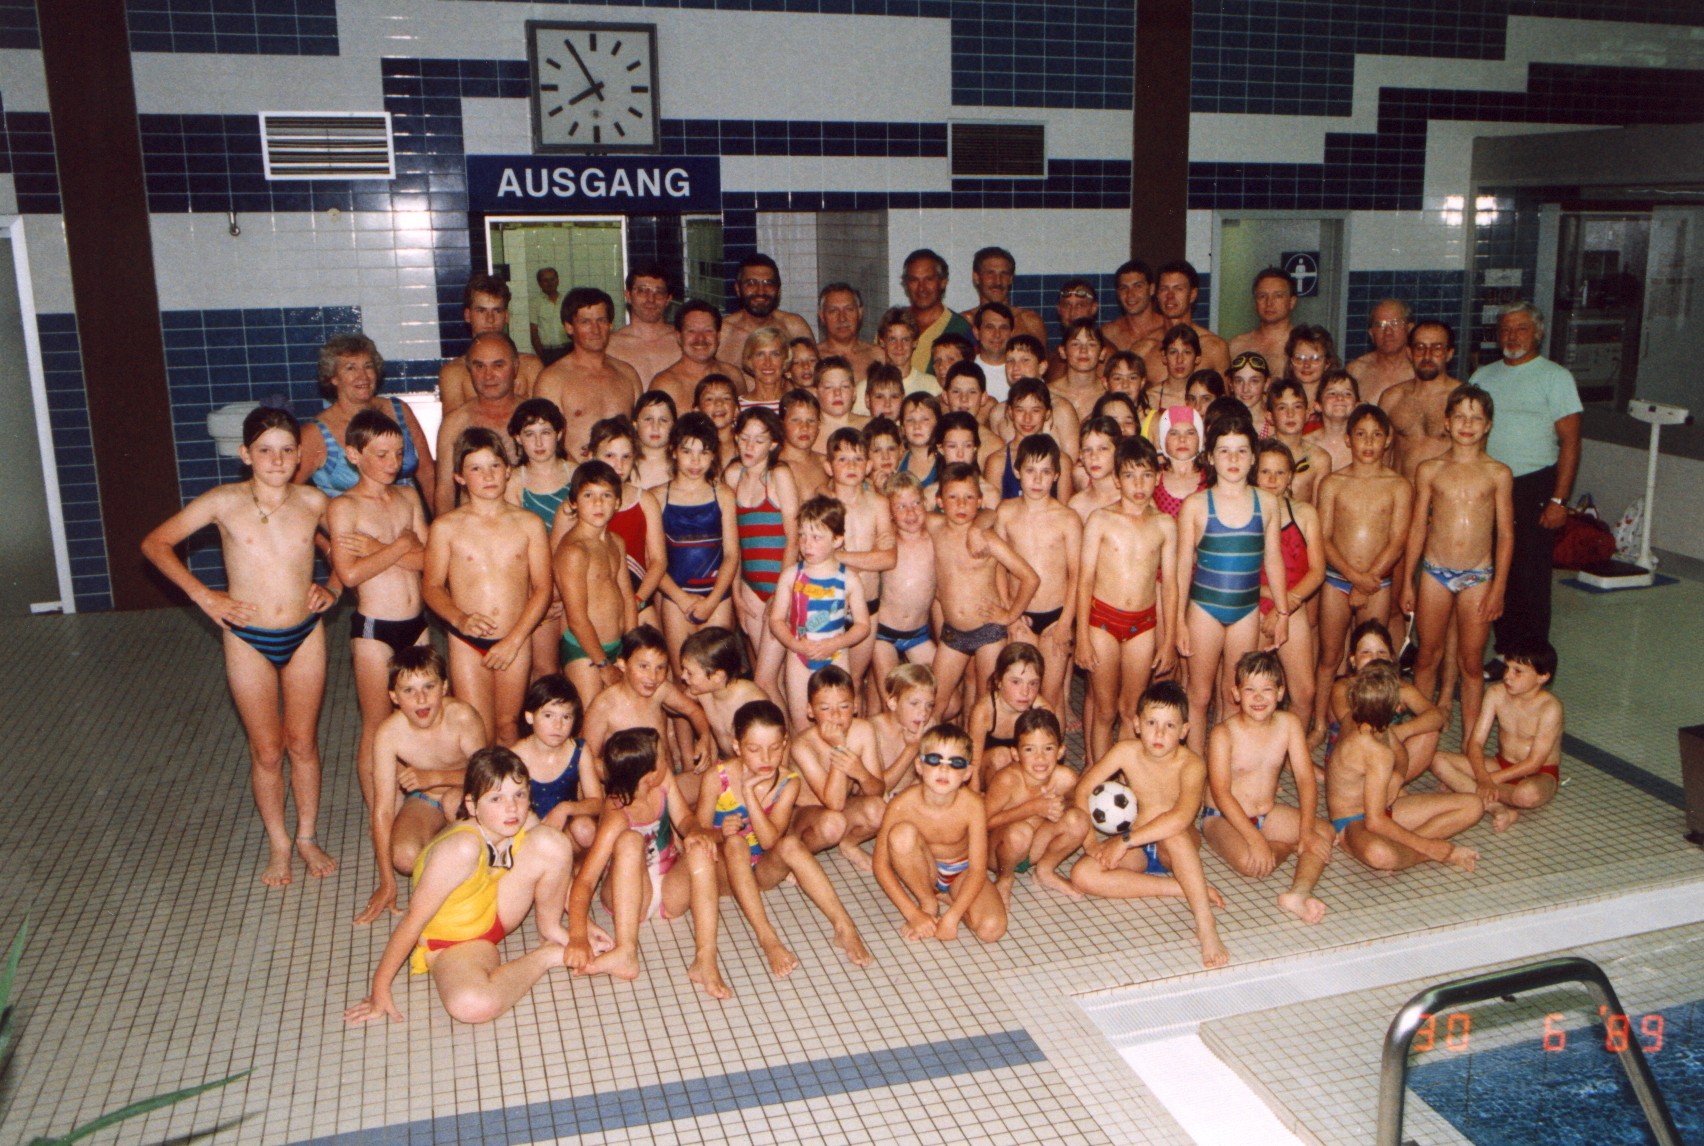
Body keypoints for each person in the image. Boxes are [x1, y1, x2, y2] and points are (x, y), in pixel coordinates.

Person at [141, 406, 338, 888]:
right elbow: (155, 543)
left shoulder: (314, 502)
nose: (276, 459)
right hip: (247, 638)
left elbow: (346, 550)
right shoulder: (223, 501)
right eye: (265, 450)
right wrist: (204, 595)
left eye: (287, 450)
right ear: (245, 454)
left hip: (305, 632)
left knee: (303, 742)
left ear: (299, 456)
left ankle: (307, 836)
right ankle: (279, 844)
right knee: (267, 750)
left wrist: (332, 586)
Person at [343, 748, 585, 1026]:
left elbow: (557, 868)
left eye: (519, 795)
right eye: (496, 798)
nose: (512, 808)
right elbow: (413, 920)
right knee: (471, 1005)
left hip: (495, 910)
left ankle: (550, 929)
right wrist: (379, 988)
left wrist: (582, 927)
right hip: (453, 942)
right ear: (472, 806)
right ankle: (545, 956)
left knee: (551, 841)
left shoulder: (519, 820)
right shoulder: (461, 849)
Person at [695, 699, 875, 973]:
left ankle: (844, 926)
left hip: (761, 870)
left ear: (785, 743)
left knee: (790, 845)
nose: (766, 758)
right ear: (737, 746)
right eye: (754, 750)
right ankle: (768, 939)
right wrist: (720, 832)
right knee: (735, 843)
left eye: (775, 748)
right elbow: (698, 834)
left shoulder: (788, 782)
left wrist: (751, 796)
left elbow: (769, 842)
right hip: (723, 872)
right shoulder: (716, 778)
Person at [1070, 681, 1229, 968]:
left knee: (1176, 833)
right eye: (1152, 722)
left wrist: (1124, 840)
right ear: (1137, 724)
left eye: (1170, 726)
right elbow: (1082, 790)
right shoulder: (1125, 751)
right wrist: (1091, 842)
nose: (1159, 733)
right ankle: (1179, 888)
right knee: (1082, 874)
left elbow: (1180, 817)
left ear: (1184, 731)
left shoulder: (1192, 764)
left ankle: (1206, 925)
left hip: (1174, 847)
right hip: (1139, 850)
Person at [323, 408, 429, 836]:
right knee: (377, 722)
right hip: (374, 628)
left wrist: (379, 548)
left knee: (422, 715)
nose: (392, 462)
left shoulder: (407, 498)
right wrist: (398, 546)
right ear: (353, 454)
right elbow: (349, 575)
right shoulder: (343, 507)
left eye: (398, 453)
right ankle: (379, 813)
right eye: (380, 453)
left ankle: (418, 800)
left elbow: (427, 560)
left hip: (417, 622)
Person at [564, 727, 728, 998]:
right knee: (630, 841)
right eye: (664, 758)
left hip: (668, 889)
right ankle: (626, 951)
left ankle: (706, 960)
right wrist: (578, 936)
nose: (669, 763)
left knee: (700, 850)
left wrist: (696, 832)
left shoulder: (664, 785)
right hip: (629, 896)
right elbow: (586, 880)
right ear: (649, 776)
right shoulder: (616, 814)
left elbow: (685, 820)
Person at [1468, 301, 1581, 668]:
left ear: (1538, 332)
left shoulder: (1555, 377)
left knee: (1529, 576)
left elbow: (1571, 443)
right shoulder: (1483, 376)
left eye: (1520, 329)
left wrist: (1559, 500)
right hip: (1488, 485)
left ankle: (1530, 660)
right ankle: (1504, 653)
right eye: (1504, 329)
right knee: (1497, 571)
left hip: (1535, 486)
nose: (1511, 336)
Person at [425, 427, 553, 746]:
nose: (488, 475)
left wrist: (515, 639)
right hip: (468, 641)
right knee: (477, 727)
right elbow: (432, 587)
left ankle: (513, 795)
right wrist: (459, 619)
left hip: (515, 636)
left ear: (508, 470)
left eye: (495, 465)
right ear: (459, 477)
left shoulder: (529, 524)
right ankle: (482, 794)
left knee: (508, 725)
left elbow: (542, 588)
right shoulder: (446, 527)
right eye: (476, 468)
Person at [1401, 384, 1513, 739]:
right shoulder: (1430, 469)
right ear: (1447, 422)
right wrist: (1407, 580)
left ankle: (1471, 743)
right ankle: (1420, 738)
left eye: (1476, 418)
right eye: (1460, 416)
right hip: (1434, 572)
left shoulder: (1498, 473)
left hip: (1478, 576)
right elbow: (1417, 527)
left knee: (1471, 663)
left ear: (1488, 425)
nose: (1467, 424)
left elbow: (1506, 536)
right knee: (1426, 657)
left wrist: (1498, 588)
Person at [1176, 413, 1290, 754]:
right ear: (1210, 457)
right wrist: (1179, 621)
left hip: (1246, 612)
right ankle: (1194, 770)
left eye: (1242, 451)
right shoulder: (1196, 505)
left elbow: (1274, 560)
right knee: (1199, 696)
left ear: (1254, 456)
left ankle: (1224, 772)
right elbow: (1182, 567)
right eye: (1224, 451)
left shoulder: (1267, 503)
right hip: (1203, 611)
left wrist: (1283, 613)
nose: (1234, 459)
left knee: (1233, 695)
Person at [1202, 651, 1333, 925]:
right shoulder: (1223, 734)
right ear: (1236, 693)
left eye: (1267, 690)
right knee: (1253, 864)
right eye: (1250, 690)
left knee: (1324, 831)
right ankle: (1287, 845)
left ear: (1281, 693)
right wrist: (1255, 839)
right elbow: (1221, 794)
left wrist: (1307, 830)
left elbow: (1306, 779)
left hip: (1268, 812)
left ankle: (1298, 893)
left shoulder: (1289, 725)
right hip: (1223, 818)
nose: (1259, 698)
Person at [363, 646, 486, 922]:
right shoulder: (388, 734)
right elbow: (382, 810)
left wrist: (436, 777)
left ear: (444, 687)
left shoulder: (462, 717)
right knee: (405, 858)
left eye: (429, 686)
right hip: (425, 801)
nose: (421, 699)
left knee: (455, 804)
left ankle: (464, 854)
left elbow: (488, 776)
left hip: (465, 795)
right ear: (393, 697)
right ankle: (443, 841)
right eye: (408, 691)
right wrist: (387, 881)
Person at [1312, 404, 1411, 738]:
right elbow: (1322, 538)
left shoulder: (1398, 485)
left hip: (1378, 582)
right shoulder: (1333, 483)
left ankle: (1374, 723)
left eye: (1376, 434)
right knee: (1330, 656)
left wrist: (1368, 582)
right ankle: (1321, 723)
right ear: (1347, 439)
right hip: (1339, 580)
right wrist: (1355, 578)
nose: (1368, 442)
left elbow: (1398, 540)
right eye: (1360, 434)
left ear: (1388, 440)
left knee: (1374, 660)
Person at [1077, 435, 1178, 764]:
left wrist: (1169, 641)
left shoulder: (1165, 524)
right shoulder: (1101, 520)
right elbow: (1085, 580)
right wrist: (1081, 637)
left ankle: (1124, 777)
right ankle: (1098, 777)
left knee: (1130, 710)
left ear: (1158, 477)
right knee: (1104, 710)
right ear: (1117, 479)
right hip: (1102, 622)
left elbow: (1171, 584)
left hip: (1144, 625)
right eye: (1130, 475)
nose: (1139, 484)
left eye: (1147, 475)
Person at [1328, 663, 1482, 874]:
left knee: (1473, 805)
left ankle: (1406, 850)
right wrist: (1428, 845)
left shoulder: (1366, 721)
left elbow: (1401, 754)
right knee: (1380, 854)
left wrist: (1398, 778)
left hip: (1382, 811)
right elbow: (1374, 822)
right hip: (1353, 822)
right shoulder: (1373, 749)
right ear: (1397, 708)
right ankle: (1422, 853)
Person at [873, 722, 1008, 943]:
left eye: (955, 763)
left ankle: (950, 899)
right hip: (924, 869)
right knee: (901, 834)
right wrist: (913, 913)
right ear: (919, 765)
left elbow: (977, 869)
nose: (944, 770)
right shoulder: (902, 804)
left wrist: (953, 918)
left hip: (962, 871)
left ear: (967, 773)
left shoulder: (972, 805)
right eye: (935, 760)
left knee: (991, 930)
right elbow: (880, 865)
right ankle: (929, 901)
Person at [929, 463, 1040, 722]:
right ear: (940, 501)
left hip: (989, 631)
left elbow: (1030, 577)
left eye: (969, 498)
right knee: (934, 701)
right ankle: (924, 757)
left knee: (985, 702)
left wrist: (1011, 614)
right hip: (953, 632)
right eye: (953, 497)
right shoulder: (934, 527)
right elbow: (903, 511)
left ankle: (978, 757)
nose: (961, 505)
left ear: (978, 501)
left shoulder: (987, 539)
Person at [991, 434, 1081, 718]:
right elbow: (999, 568)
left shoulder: (1068, 518)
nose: (1037, 479)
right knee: (1020, 696)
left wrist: (1066, 621)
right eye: (1030, 470)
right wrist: (1011, 615)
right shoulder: (1006, 512)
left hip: (1055, 617)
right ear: (1017, 471)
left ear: (1056, 475)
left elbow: (1076, 575)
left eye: (1045, 472)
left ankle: (1055, 754)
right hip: (1022, 615)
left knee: (1051, 697)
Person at [767, 495, 874, 730]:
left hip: (835, 656)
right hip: (799, 657)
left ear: (837, 540)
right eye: (803, 535)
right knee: (801, 724)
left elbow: (863, 626)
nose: (806, 544)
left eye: (816, 537)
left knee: (839, 724)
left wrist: (836, 643)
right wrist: (794, 645)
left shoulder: (848, 579)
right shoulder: (790, 575)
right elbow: (775, 620)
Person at [1431, 642, 1563, 823]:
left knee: (1526, 795)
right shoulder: (1495, 694)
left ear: (1542, 677)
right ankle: (1497, 808)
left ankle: (1469, 787)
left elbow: (1534, 763)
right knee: (1437, 759)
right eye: (1507, 667)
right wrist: (1484, 778)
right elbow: (1476, 742)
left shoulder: (1550, 708)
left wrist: (1487, 780)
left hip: (1539, 774)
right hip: (1501, 764)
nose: (1507, 676)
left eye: (1518, 671)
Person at [579, 625, 715, 800]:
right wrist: (627, 781)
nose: (652, 677)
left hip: (667, 783)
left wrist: (704, 737)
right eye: (643, 666)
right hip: (630, 793)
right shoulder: (603, 706)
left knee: (715, 781)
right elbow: (587, 759)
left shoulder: (660, 690)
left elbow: (694, 711)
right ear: (622, 664)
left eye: (660, 668)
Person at [294, 333, 433, 500]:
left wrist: (438, 521)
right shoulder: (315, 433)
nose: (363, 376)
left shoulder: (399, 410)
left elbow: (428, 474)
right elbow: (289, 492)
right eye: (350, 368)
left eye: (368, 366)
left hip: (408, 519)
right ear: (334, 378)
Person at [724, 406, 798, 701]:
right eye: (744, 439)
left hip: (782, 585)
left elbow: (793, 538)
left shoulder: (778, 474)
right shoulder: (733, 475)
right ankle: (784, 741)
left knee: (764, 681)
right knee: (772, 679)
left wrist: (782, 593)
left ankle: (787, 744)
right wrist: (738, 596)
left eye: (759, 440)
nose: (749, 447)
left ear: (774, 444)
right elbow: (731, 544)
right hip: (750, 586)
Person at [553, 460, 639, 708]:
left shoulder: (616, 542)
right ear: (573, 503)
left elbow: (627, 597)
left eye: (606, 495)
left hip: (618, 646)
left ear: (618, 502)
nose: (598, 503)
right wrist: (603, 664)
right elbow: (577, 618)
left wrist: (631, 650)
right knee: (592, 718)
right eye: (588, 495)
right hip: (585, 650)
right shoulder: (573, 551)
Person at [656, 411, 740, 661]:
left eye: (703, 452)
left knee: (717, 676)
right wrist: (680, 599)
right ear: (673, 451)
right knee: (683, 676)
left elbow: (732, 555)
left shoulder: (723, 494)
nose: (695, 461)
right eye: (687, 451)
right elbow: (653, 561)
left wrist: (712, 601)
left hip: (717, 599)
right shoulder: (657, 496)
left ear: (714, 454)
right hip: (675, 598)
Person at [1253, 439, 1325, 733]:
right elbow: (1233, 575)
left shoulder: (1305, 513)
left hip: (1292, 606)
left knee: (1304, 692)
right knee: (1250, 688)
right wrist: (1274, 601)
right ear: (1253, 474)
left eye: (1280, 473)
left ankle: (1290, 754)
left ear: (1291, 476)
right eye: (1265, 472)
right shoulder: (1242, 514)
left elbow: (1317, 572)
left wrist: (1284, 608)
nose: (1272, 480)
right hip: (1253, 604)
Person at [786, 664, 888, 869]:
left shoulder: (864, 730)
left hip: (838, 805)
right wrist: (839, 747)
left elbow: (878, 790)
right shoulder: (802, 745)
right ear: (810, 710)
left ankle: (848, 844)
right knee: (833, 823)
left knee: (880, 810)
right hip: (803, 815)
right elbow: (834, 803)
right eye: (825, 708)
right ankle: (794, 858)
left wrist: (862, 774)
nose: (835, 715)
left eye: (844, 706)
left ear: (856, 706)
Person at [985, 708, 1089, 904]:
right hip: (998, 851)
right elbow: (983, 823)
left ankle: (1045, 871)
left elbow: (1073, 806)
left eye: (1048, 749)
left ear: (1060, 751)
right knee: (1020, 831)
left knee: (1078, 820)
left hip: (1035, 846)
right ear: (1015, 754)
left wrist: (1060, 808)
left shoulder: (1066, 779)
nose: (1040, 758)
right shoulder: (1007, 780)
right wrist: (1032, 808)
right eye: (1030, 749)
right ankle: (1005, 879)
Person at [822, 427, 897, 698]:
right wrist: (865, 560)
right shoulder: (821, 504)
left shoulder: (878, 504)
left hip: (867, 604)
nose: (851, 466)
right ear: (829, 467)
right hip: (829, 605)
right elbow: (810, 556)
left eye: (857, 459)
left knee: (855, 681)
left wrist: (838, 557)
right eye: (842, 459)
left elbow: (888, 558)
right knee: (828, 683)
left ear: (868, 466)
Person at [504, 397, 575, 680]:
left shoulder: (576, 473)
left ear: (559, 433)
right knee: (544, 668)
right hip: (536, 587)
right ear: (517, 438)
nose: (539, 442)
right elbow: (515, 548)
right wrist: (545, 592)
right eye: (529, 434)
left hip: (575, 579)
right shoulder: (513, 483)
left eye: (546, 432)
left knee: (576, 661)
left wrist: (563, 588)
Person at [576, 415, 667, 632]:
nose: (619, 465)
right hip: (592, 604)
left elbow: (658, 561)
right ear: (591, 456)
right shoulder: (575, 503)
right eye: (609, 456)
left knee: (654, 655)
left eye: (626, 456)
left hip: (637, 597)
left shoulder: (644, 501)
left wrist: (637, 600)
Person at [534, 286, 644, 462]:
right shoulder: (553, 379)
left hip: (622, 478)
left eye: (601, 320)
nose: (595, 329)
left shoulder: (628, 374)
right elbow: (546, 442)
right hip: (575, 480)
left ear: (610, 325)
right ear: (569, 327)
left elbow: (641, 434)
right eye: (585, 322)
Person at [432, 331, 523, 516]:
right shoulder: (455, 423)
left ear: (515, 367)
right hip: (475, 531)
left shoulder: (534, 417)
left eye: (498, 365)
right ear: (469, 370)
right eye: (479, 366)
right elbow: (445, 493)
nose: (488, 376)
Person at [512, 673, 600, 847]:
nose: (558, 725)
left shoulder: (579, 750)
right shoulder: (515, 757)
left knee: (585, 828)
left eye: (566, 717)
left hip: (566, 828)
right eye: (548, 715)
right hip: (530, 831)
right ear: (530, 717)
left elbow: (598, 803)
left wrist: (565, 808)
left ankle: (581, 869)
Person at [439, 273, 542, 413]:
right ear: (468, 315)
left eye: (497, 311)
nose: (490, 319)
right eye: (481, 311)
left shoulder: (530, 366)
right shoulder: (454, 373)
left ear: (506, 316)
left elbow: (543, 424)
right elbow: (454, 430)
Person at [873, 471, 938, 680]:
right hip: (884, 633)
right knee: (889, 696)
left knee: (947, 698)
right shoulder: (887, 540)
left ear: (925, 503)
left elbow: (986, 515)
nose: (911, 512)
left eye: (916, 503)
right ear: (890, 512)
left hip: (918, 633)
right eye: (901, 506)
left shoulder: (935, 537)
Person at [965, 641, 1055, 789]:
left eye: (1033, 684)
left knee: (1068, 779)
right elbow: (973, 764)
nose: (1025, 692)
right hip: (985, 773)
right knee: (1002, 756)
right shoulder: (984, 711)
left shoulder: (1043, 711)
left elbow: (1048, 759)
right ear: (998, 681)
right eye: (1016, 682)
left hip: (1023, 772)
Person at [1380, 319, 1462, 482]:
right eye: (1420, 348)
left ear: (1449, 353)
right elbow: (1380, 457)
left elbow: (1476, 460)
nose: (1427, 356)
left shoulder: (1463, 400)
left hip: (1444, 498)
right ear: (1409, 353)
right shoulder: (1392, 398)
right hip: (1402, 496)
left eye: (1436, 348)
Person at [679, 625, 770, 759]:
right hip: (727, 764)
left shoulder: (753, 700)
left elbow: (773, 746)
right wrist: (705, 738)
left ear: (717, 676)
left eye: (690, 672)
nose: (683, 677)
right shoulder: (702, 691)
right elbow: (673, 704)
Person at [1135, 261, 1230, 379]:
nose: (1170, 296)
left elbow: (1225, 395)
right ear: (1157, 294)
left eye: (1178, 289)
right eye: (1164, 289)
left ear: (1193, 294)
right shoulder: (1143, 350)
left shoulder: (1215, 348)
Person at [651, 299, 744, 417]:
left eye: (708, 330)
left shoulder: (733, 376)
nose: (700, 338)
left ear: (718, 336)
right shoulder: (665, 385)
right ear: (679, 336)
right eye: (692, 331)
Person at [719, 253, 813, 364]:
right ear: (738, 289)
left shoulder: (794, 327)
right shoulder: (723, 333)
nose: (760, 291)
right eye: (751, 283)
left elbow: (814, 374)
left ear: (778, 290)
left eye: (768, 283)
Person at [605, 264, 680, 387]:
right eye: (642, 291)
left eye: (659, 292)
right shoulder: (610, 346)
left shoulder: (683, 342)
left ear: (668, 299)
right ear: (628, 296)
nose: (651, 299)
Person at [960, 246, 1048, 344]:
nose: (997, 281)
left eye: (1004, 274)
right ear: (976, 277)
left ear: (1011, 279)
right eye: (990, 273)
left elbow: (1042, 358)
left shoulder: (1029, 322)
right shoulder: (964, 323)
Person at [871, 662, 935, 794]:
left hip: (907, 798)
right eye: (914, 703)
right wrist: (911, 749)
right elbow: (876, 790)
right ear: (893, 702)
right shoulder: (873, 730)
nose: (923, 712)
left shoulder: (929, 726)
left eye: (929, 705)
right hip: (878, 799)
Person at [1265, 377, 1332, 503]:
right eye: (1282, 408)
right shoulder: (1258, 452)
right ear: (1270, 416)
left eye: (1297, 407)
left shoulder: (1319, 459)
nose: (1290, 414)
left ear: (1307, 414)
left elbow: (1319, 508)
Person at [1227, 268, 1298, 378]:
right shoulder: (1237, 345)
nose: (1269, 303)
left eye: (1278, 296)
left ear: (1292, 302)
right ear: (1255, 302)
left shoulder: (1303, 345)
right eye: (1262, 296)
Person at [1347, 298, 1416, 406]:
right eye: (1380, 325)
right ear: (1371, 333)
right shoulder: (1356, 371)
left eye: (1395, 323)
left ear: (1409, 328)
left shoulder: (1420, 371)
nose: (1388, 332)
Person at [816, 282, 879, 381]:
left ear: (860, 313)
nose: (842, 318)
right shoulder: (813, 358)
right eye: (833, 311)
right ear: (822, 316)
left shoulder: (879, 356)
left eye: (849, 309)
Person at [1152, 404, 1207, 518]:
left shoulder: (1211, 478)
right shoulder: (1153, 478)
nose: (1182, 439)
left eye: (1190, 433)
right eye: (1174, 433)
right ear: (1163, 440)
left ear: (1200, 439)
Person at [1068, 414, 1124, 523]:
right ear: (1081, 456)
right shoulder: (1077, 505)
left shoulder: (1132, 496)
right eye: (1087, 450)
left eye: (1103, 449)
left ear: (1118, 451)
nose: (1094, 457)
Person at [1052, 318, 1109, 423]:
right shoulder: (1049, 394)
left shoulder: (1109, 394)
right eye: (1075, 344)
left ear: (1102, 353)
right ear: (1063, 352)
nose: (1083, 350)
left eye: (1091, 344)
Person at [1102, 259, 1166, 352]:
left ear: (1152, 289)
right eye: (1124, 288)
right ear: (1118, 294)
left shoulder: (1168, 328)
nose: (1130, 295)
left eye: (1138, 286)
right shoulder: (1108, 334)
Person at [778, 387, 830, 501]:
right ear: (782, 425)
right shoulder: (773, 464)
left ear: (818, 427)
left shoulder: (826, 464)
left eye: (811, 421)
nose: (805, 427)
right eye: (796, 420)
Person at [874, 308, 933, 396]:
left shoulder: (931, 386)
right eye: (892, 339)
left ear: (915, 343)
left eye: (905, 339)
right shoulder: (868, 387)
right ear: (882, 342)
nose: (899, 347)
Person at [815, 356, 869, 446]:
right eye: (828, 387)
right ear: (816, 394)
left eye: (844, 386)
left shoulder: (869, 426)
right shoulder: (808, 432)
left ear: (854, 393)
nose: (837, 393)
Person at [630, 389, 677, 490]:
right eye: (648, 419)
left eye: (663, 420)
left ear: (674, 426)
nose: (655, 427)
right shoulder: (625, 465)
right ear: (635, 424)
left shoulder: (680, 466)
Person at [693, 371, 742, 469]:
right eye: (709, 399)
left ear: (736, 410)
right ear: (697, 411)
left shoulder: (744, 443)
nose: (719, 403)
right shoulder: (692, 445)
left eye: (726, 398)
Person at [739, 324, 792, 409]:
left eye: (775, 354)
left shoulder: (797, 404)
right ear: (749, 361)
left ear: (785, 360)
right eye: (760, 354)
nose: (767, 363)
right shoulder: (736, 408)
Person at [972, 302, 1016, 401]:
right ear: (976, 332)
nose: (997, 334)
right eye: (990, 327)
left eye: (1003, 328)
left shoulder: (1023, 371)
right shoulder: (965, 370)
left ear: (1012, 333)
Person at [527, 266, 569, 364]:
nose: (550, 283)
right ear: (539, 283)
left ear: (557, 280)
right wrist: (542, 355)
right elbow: (533, 332)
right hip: (548, 352)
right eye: (545, 280)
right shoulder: (535, 303)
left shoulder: (567, 300)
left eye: (552, 279)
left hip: (568, 349)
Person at [1226, 352, 1274, 436]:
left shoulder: (1275, 425)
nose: (1245, 389)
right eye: (1239, 381)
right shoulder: (1224, 424)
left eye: (1254, 381)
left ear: (1266, 384)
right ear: (1231, 384)